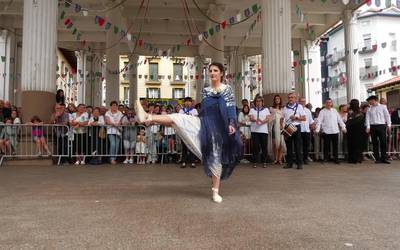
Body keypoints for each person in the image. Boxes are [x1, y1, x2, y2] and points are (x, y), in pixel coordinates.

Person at [134, 62, 242, 203]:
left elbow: (231, 108)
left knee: (216, 158)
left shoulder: (227, 89)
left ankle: (215, 192)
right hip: (205, 123)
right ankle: (148, 116)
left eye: (215, 70)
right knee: (178, 118)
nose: (212, 73)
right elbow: (204, 110)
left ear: (221, 73)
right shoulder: (206, 91)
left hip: (220, 127)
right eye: (210, 70)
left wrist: (232, 123)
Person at [315, 98, 346, 164]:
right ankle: (326, 158)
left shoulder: (335, 110)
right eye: (327, 102)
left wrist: (343, 127)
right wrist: (317, 129)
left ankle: (336, 159)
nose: (328, 104)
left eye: (330, 102)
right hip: (326, 131)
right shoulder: (322, 111)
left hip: (335, 131)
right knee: (326, 146)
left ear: (331, 103)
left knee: (335, 146)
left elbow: (339, 120)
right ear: (325, 103)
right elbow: (319, 121)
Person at [282, 93, 306, 169]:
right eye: (289, 97)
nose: (290, 99)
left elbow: (304, 118)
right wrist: (281, 126)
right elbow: (282, 118)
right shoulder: (285, 108)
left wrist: (296, 118)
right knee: (288, 147)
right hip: (288, 127)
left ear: (295, 99)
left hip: (296, 127)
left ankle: (299, 163)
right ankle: (289, 163)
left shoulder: (299, 107)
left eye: (292, 97)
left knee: (297, 146)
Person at [365, 95, 391, 164]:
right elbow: (367, 118)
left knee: (383, 142)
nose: (369, 103)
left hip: (381, 126)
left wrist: (389, 125)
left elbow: (387, 116)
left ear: (374, 100)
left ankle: (384, 158)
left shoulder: (383, 107)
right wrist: (368, 127)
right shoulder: (369, 109)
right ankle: (377, 159)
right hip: (373, 127)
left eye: (370, 101)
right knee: (375, 143)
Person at [249, 95, 271, 168]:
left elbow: (268, 118)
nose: (258, 103)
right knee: (255, 146)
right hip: (254, 131)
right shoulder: (252, 110)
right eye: (257, 101)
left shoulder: (266, 109)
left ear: (262, 102)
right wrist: (255, 120)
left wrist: (262, 121)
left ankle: (264, 161)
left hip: (263, 131)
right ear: (255, 102)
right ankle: (255, 161)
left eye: (260, 101)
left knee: (264, 146)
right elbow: (251, 118)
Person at [178, 97, 198, 168]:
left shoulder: (194, 110)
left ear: (191, 103)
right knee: (184, 147)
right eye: (186, 101)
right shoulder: (181, 111)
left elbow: (195, 119)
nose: (188, 103)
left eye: (189, 101)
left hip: (191, 131)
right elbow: (180, 119)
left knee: (192, 147)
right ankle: (183, 162)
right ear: (184, 103)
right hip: (184, 131)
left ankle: (192, 162)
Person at [346, 99, 364, 164]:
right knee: (358, 145)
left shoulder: (353, 112)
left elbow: (349, 121)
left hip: (352, 131)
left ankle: (353, 159)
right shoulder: (359, 112)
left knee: (352, 145)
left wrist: (350, 121)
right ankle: (358, 158)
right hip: (358, 131)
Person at [270, 95, 285, 165]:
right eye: (276, 99)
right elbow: (270, 118)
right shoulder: (271, 109)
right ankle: (275, 158)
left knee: (281, 143)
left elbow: (283, 118)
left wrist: (282, 125)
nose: (277, 100)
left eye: (278, 98)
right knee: (275, 143)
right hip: (274, 127)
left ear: (280, 100)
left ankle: (280, 159)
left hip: (281, 127)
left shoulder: (283, 109)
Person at [299, 97, 314, 165]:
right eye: (301, 101)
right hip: (299, 130)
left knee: (306, 146)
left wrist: (313, 126)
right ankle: (299, 159)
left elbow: (311, 120)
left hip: (307, 130)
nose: (303, 103)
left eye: (304, 101)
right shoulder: (296, 109)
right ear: (299, 102)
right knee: (299, 146)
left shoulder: (308, 110)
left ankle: (305, 159)